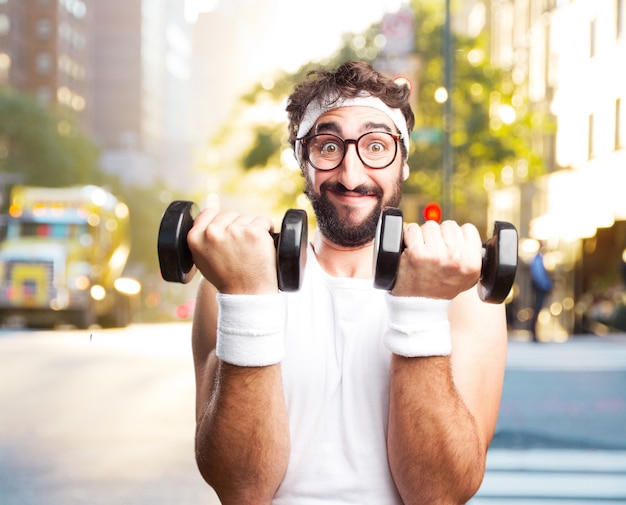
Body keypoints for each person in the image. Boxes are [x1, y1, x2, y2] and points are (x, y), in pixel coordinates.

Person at [188, 61, 508, 504]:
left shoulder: (464, 292)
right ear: (303, 159)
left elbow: (440, 493)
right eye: (328, 146)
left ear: (404, 161)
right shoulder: (233, 282)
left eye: (376, 146)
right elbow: (242, 489)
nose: (351, 175)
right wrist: (248, 300)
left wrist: (422, 308)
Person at [529, 245, 553, 342]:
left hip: (540, 287)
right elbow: (539, 276)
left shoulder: (538, 259)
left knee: (537, 310)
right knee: (536, 310)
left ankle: (534, 332)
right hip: (540, 288)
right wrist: (547, 285)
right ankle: (533, 332)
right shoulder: (538, 260)